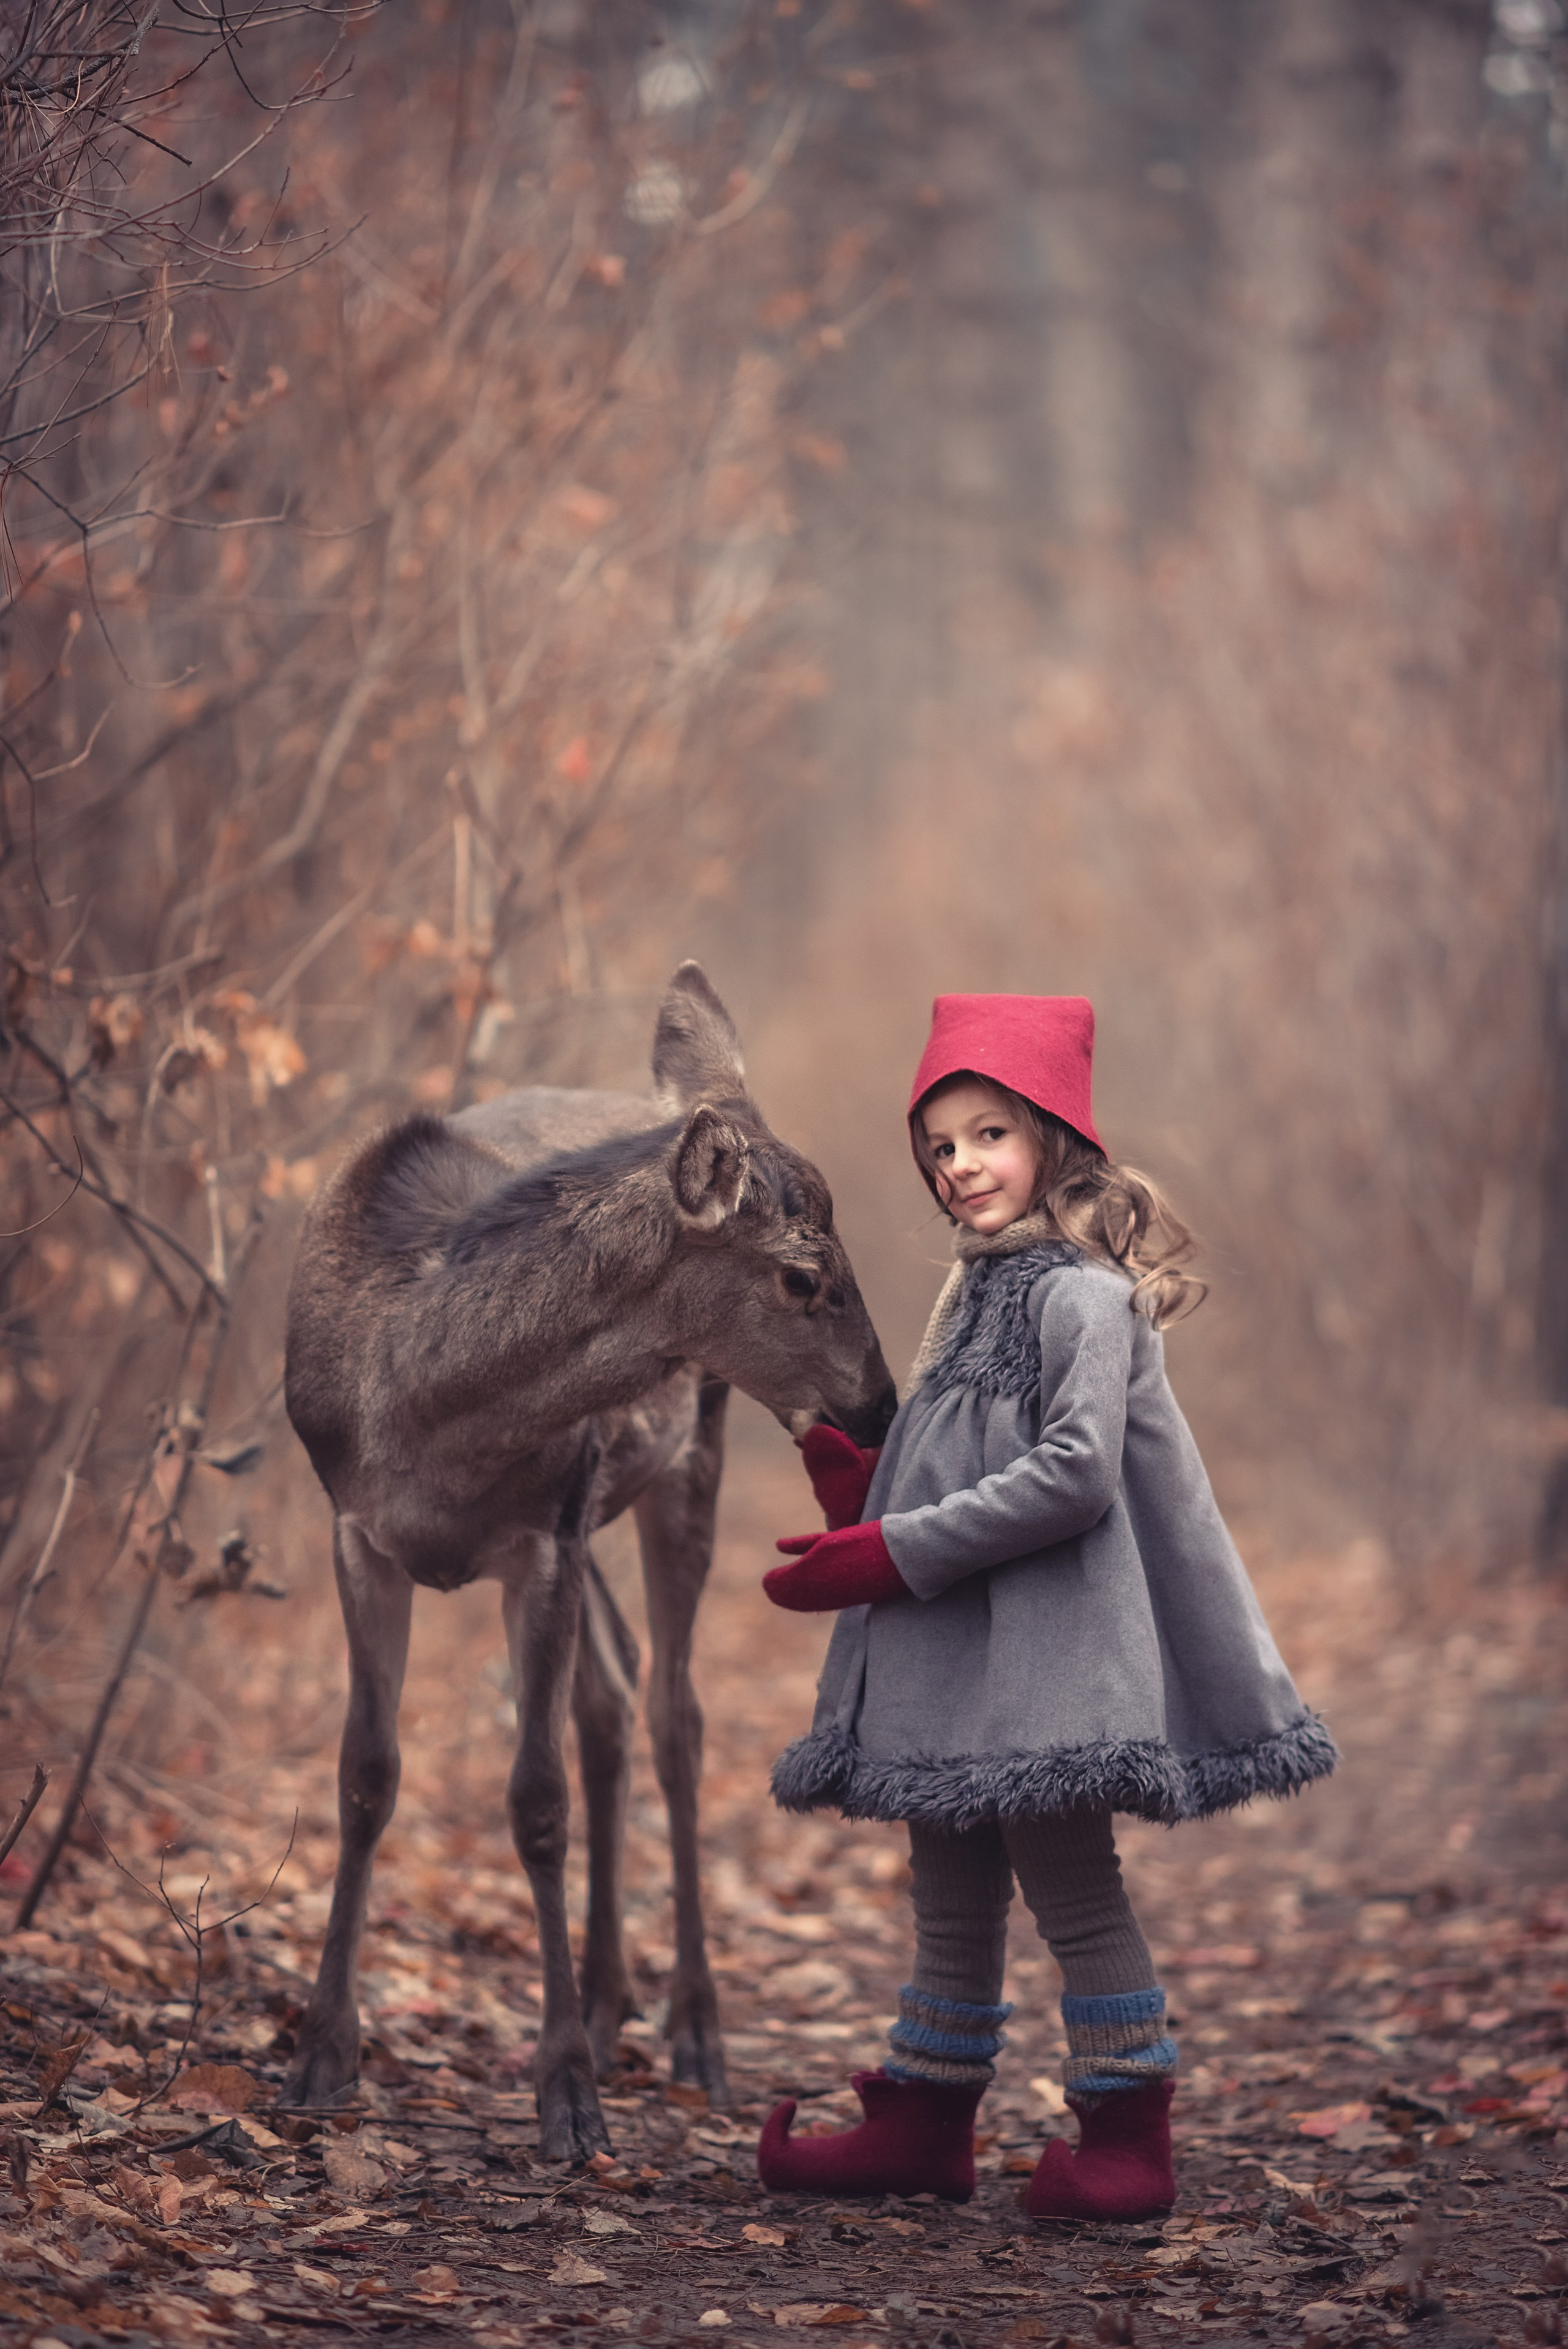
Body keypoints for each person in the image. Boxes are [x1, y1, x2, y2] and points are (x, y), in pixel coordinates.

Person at [755, 993, 1338, 2219]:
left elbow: (1072, 1477)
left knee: (1067, 1881)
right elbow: (972, 1454)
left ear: (1054, 1138)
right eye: (940, 1147)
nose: (959, 1165)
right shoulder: (972, 1290)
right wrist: (868, 1488)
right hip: (966, 1648)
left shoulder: (1080, 1295)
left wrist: (887, 1555)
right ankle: (924, 2110)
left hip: (1049, 1654)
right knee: (949, 1874)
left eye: (986, 1135)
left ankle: (1127, 2126)